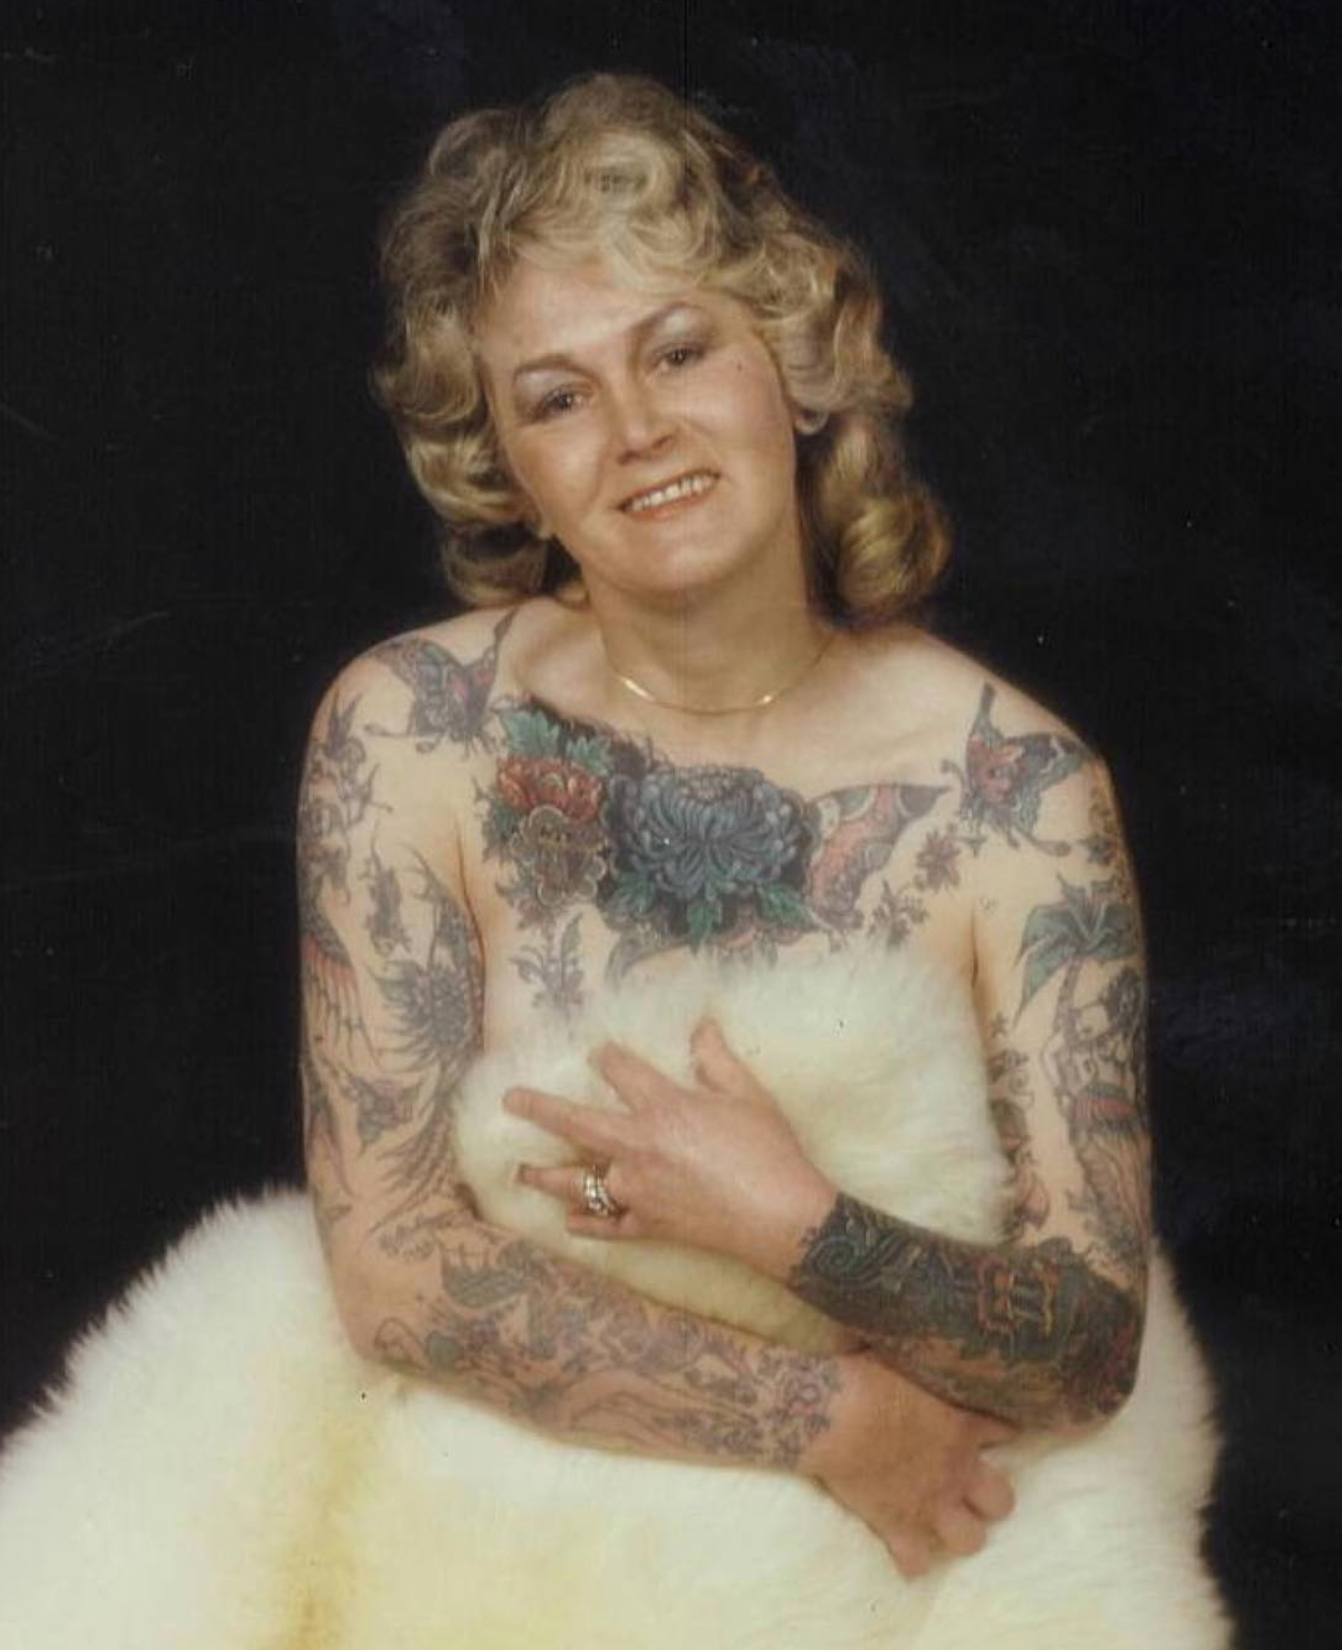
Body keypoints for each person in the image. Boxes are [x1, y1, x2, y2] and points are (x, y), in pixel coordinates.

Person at [298, 71, 1150, 1583]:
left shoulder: (1016, 792)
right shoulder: (412, 732)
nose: (637, 430)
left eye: (678, 350)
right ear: (507, 468)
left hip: (907, 1546)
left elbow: (1087, 1346)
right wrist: (834, 1419)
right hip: (517, 1528)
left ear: (793, 364)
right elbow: (393, 1263)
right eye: (557, 397)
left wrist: (792, 1224)